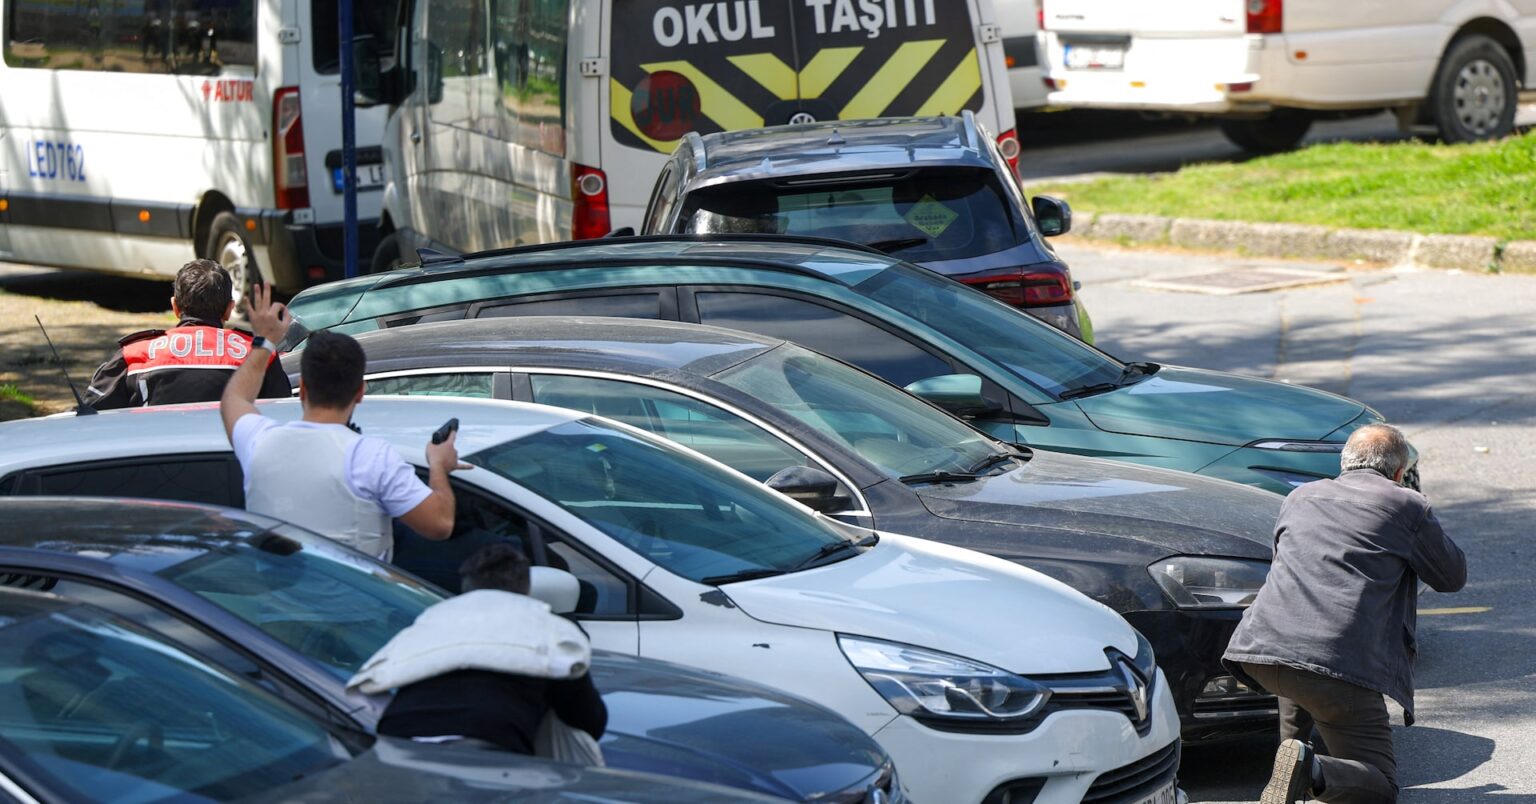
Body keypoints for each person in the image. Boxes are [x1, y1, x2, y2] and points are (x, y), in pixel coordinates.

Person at [1223, 424, 1467, 804]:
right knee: (1381, 786)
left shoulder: (1301, 496)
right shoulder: (1406, 505)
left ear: (1344, 464)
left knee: (1299, 681)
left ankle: (1295, 763)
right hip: (1336, 662)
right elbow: (1452, 575)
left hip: (1261, 646)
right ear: (1400, 473)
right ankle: (1313, 770)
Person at [220, 284, 462, 559]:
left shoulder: (259, 442)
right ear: (359, 392)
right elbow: (440, 524)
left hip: (272, 600)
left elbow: (234, 398)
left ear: (305, 390)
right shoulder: (372, 458)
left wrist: (265, 341)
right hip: (358, 602)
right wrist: (440, 465)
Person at [353, 544, 607, 756]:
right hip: (491, 750)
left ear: (466, 586)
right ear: (526, 588)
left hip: (397, 741)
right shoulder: (548, 631)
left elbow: (372, 683)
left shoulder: (429, 623)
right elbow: (589, 721)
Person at [85, 259, 290, 410]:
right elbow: (282, 416)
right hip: (233, 464)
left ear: (175, 307)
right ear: (229, 310)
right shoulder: (260, 356)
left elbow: (88, 415)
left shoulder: (135, 355)